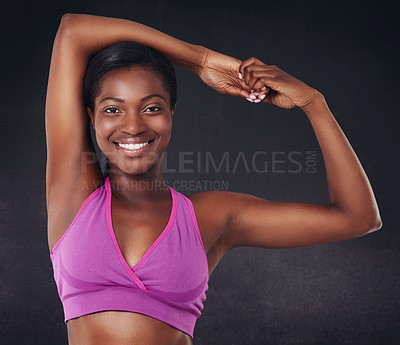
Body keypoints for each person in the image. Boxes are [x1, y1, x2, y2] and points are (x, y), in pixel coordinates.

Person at [45, 12, 382, 345]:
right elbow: (74, 31)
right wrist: (201, 60)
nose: (133, 126)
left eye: (151, 107)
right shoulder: (75, 195)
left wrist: (314, 103)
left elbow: (358, 218)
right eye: (113, 109)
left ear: (171, 112)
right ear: (90, 116)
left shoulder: (210, 216)